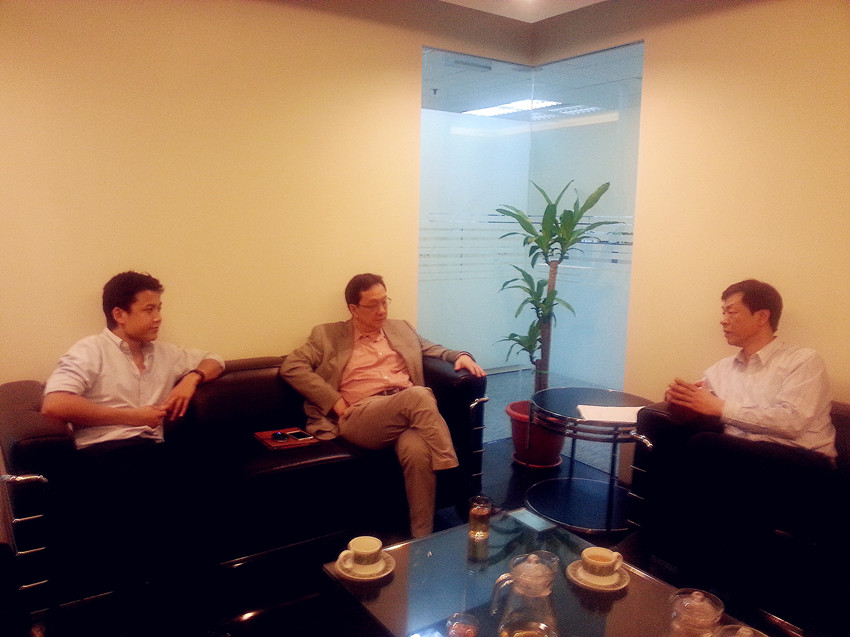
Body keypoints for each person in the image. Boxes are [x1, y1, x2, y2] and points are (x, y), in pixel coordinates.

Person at [648, 279, 836, 605]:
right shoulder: (721, 370)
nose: (722, 320)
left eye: (731, 312)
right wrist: (680, 403)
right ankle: (697, 591)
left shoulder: (803, 361)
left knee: (706, 448)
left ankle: (696, 586)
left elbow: (794, 421)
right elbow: (700, 405)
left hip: (804, 466)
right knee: (696, 456)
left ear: (762, 316)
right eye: (722, 312)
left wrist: (720, 408)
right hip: (744, 465)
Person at [41, 271, 225, 594]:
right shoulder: (90, 351)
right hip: (103, 453)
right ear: (120, 314)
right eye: (149, 309)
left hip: (152, 451)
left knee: (204, 485)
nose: (158, 318)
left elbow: (215, 359)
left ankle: (199, 598)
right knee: (146, 501)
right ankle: (140, 598)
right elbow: (55, 403)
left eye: (159, 308)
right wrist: (132, 417)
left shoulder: (165, 353)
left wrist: (191, 378)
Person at [280, 273, 486, 537]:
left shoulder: (401, 328)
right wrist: (335, 402)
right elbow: (292, 366)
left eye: (384, 301)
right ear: (353, 309)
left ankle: (421, 539)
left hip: (406, 413)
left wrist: (461, 356)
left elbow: (433, 349)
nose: (382, 310)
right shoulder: (327, 335)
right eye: (372, 305)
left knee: (417, 451)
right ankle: (461, 487)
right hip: (361, 416)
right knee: (419, 395)